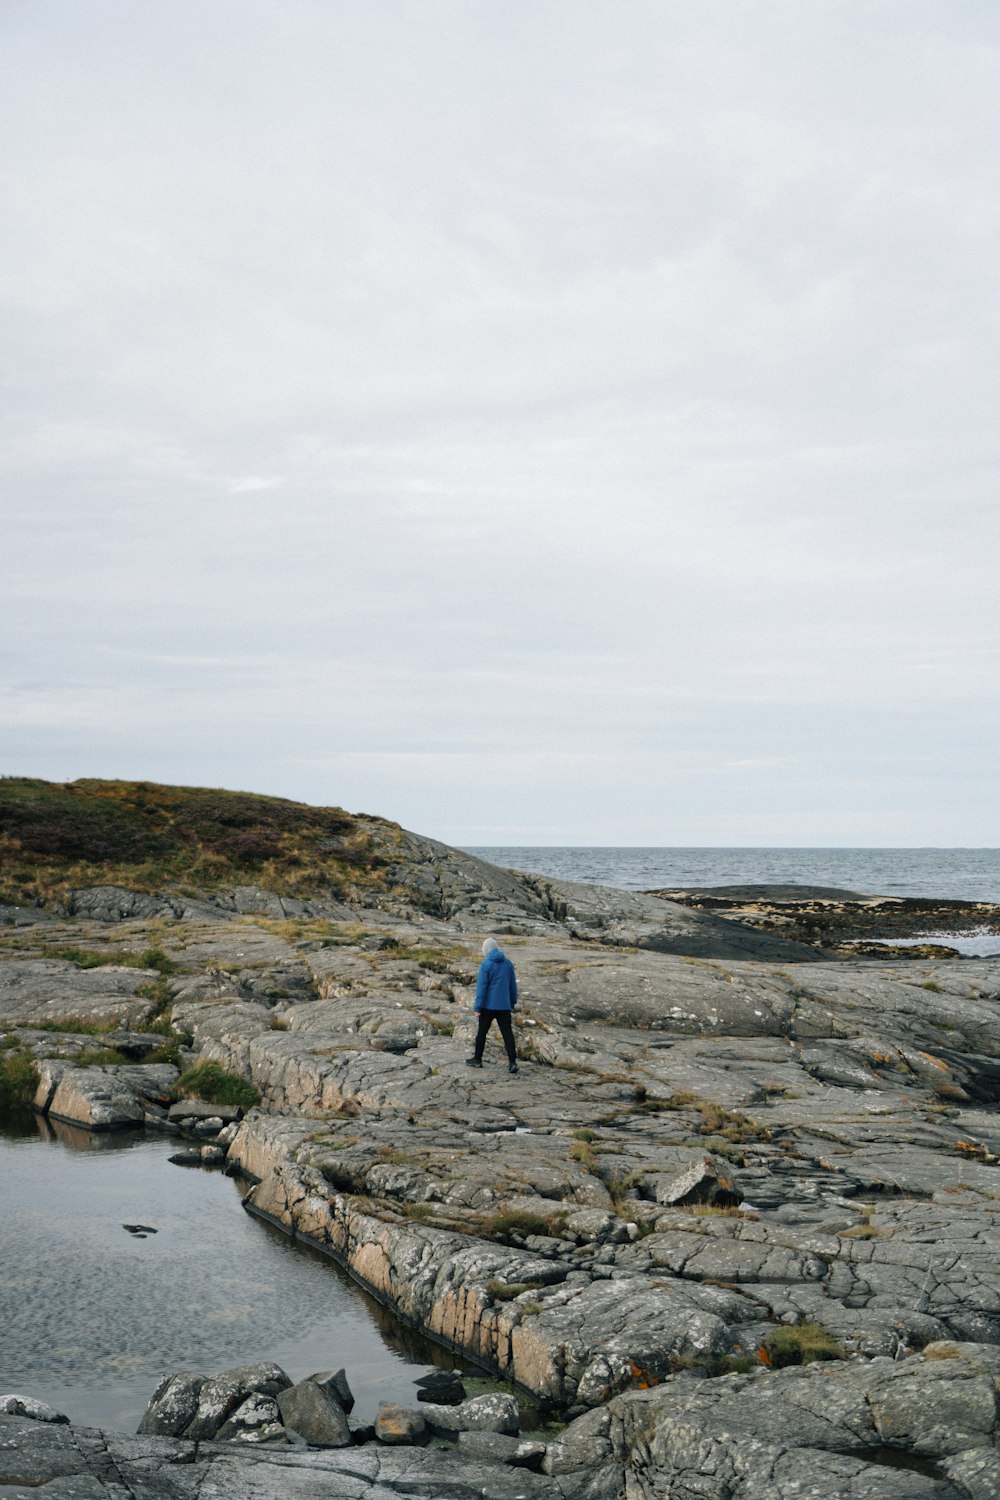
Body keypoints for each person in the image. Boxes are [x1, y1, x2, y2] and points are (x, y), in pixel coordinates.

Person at [466, 937, 518, 1074]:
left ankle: (477, 1060)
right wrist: (512, 1002)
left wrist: (477, 1008)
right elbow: (512, 986)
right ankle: (512, 1063)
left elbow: (481, 988)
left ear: (486, 950)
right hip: (504, 1006)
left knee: (482, 1033)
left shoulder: (486, 965)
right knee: (507, 1034)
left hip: (488, 1007)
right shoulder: (508, 964)